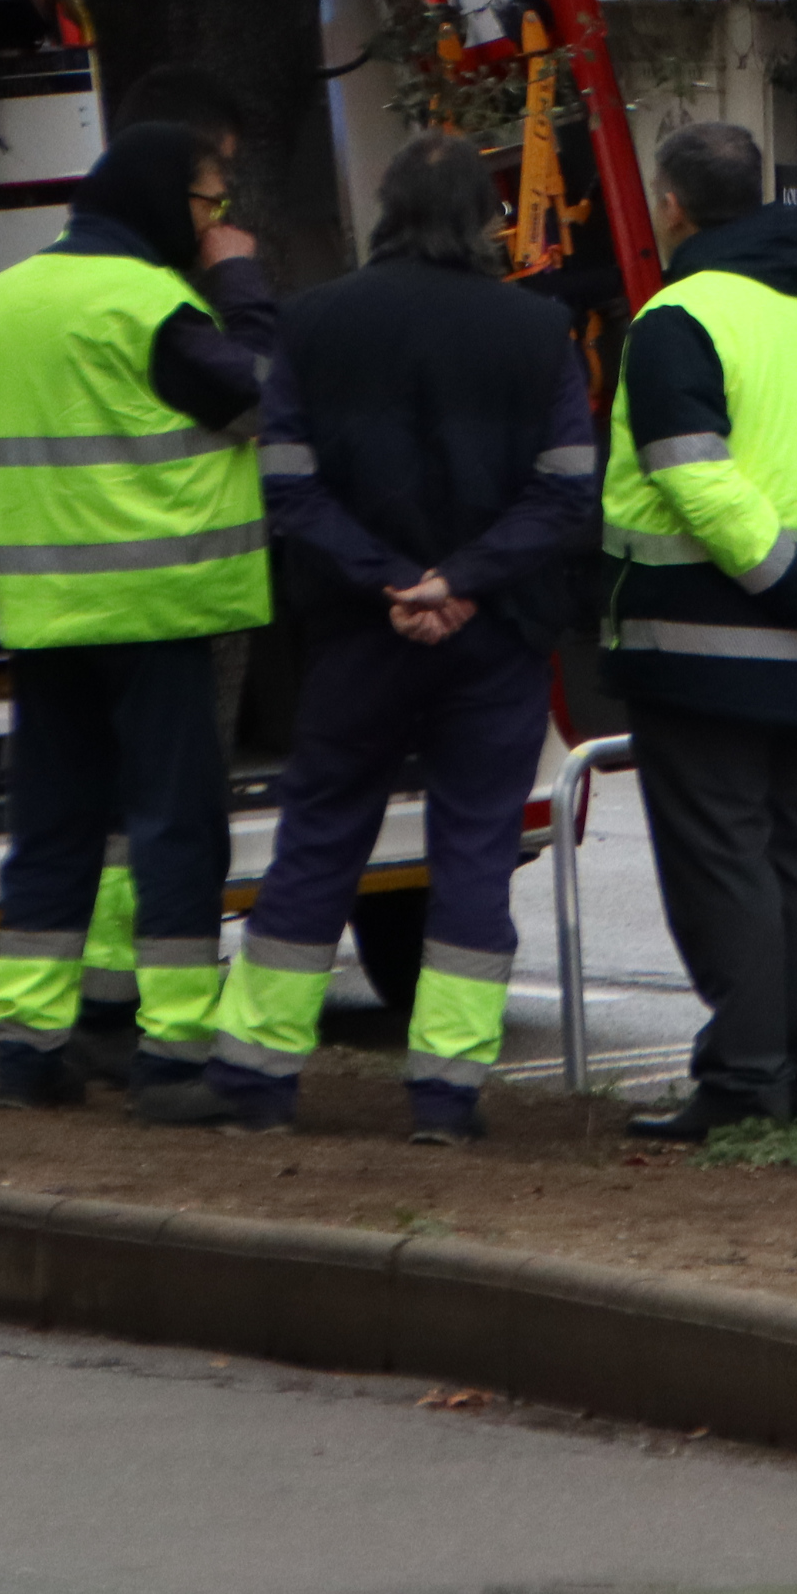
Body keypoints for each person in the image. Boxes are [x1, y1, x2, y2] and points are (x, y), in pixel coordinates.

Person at [142, 135, 596, 1142]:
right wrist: (462, 582)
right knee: (473, 850)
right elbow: (567, 493)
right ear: (485, 219)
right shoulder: (537, 330)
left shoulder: (312, 323)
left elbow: (289, 485)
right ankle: (445, 1092)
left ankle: (258, 1077)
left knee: (319, 840)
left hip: (357, 634)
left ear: (386, 214)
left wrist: (389, 580)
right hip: (495, 637)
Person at [600, 122, 797, 1142]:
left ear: (675, 206)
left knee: (722, 859)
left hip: (702, 644)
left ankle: (745, 1081)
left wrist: (793, 581)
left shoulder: (676, 317)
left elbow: (692, 469)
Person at [0, 117, 278, 1111]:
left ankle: (26, 1051)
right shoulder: (151, 303)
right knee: (174, 830)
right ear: (158, 200)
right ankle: (175, 1057)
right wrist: (240, 284)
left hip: (46, 613)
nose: (217, 221)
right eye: (208, 202)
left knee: (52, 831)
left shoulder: (2, 298)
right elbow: (270, 399)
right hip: (157, 605)